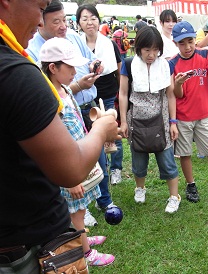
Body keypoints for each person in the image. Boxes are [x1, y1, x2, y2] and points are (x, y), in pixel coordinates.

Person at [0, 0, 119, 272]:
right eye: (40, 8)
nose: (41, 22)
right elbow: (71, 169)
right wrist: (102, 129)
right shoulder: (15, 73)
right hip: (27, 246)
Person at [26, 0, 119, 225]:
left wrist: (92, 66)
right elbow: (52, 98)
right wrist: (80, 86)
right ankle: (81, 214)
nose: (62, 26)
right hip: (66, 119)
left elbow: (87, 60)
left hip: (84, 111)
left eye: (64, 20)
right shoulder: (32, 50)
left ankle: (100, 200)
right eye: (55, 21)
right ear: (40, 21)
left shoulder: (73, 38)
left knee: (95, 162)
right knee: (76, 167)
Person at [39, 37, 115, 267]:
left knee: (82, 207)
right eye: (70, 67)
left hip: (77, 160)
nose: (75, 70)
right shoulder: (48, 97)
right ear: (53, 68)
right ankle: (85, 251)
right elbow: (53, 145)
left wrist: (79, 85)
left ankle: (81, 236)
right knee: (76, 211)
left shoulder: (61, 88)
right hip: (67, 168)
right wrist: (69, 179)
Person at [118, 26, 181, 213]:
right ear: (139, 48)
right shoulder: (128, 64)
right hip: (135, 120)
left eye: (155, 50)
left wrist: (173, 122)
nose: (152, 55)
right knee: (138, 159)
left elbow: (170, 95)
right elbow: (122, 94)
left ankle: (173, 196)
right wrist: (123, 121)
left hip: (160, 121)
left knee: (167, 160)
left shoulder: (166, 65)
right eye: (147, 50)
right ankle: (140, 188)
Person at [169, 21, 208, 201]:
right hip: (184, 117)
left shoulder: (204, 54)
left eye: (190, 41)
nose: (187, 47)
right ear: (175, 43)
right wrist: (178, 83)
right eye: (182, 43)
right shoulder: (173, 63)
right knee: (185, 153)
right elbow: (177, 95)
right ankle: (190, 184)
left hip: (204, 116)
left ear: (196, 39)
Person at [76, 4, 124, 186]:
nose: (90, 22)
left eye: (93, 18)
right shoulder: (76, 43)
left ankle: (116, 168)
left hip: (109, 92)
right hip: (86, 96)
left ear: (98, 20)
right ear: (79, 23)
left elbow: (119, 69)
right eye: (85, 18)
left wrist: (120, 92)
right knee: (93, 133)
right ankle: (97, 168)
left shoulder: (108, 43)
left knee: (112, 130)